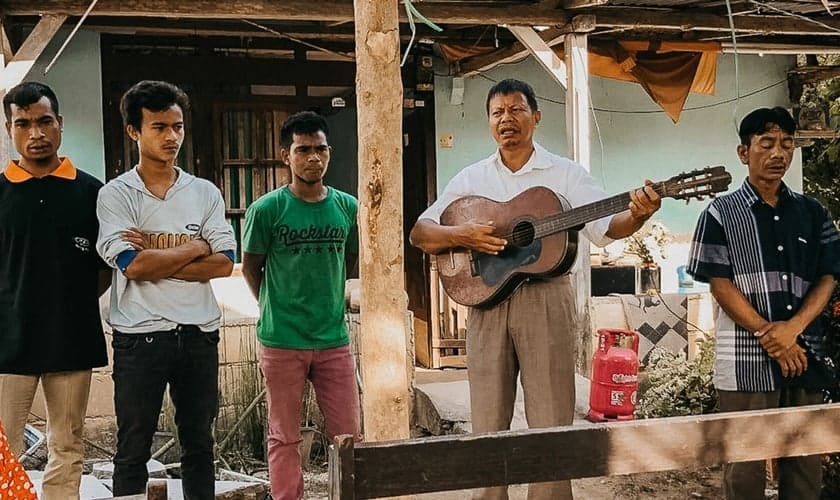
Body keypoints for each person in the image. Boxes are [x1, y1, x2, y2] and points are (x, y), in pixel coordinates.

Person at [409, 78, 661, 500]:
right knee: (487, 419)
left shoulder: (565, 174)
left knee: (551, 417)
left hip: (547, 299)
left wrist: (638, 214)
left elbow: (607, 227)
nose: (506, 119)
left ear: (536, 117)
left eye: (516, 110)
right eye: (497, 112)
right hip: (487, 302)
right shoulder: (472, 178)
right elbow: (421, 232)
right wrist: (462, 235)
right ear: (489, 122)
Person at [687, 106, 840, 499]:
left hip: (804, 354)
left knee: (804, 470)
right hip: (745, 361)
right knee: (744, 471)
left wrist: (793, 330)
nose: (778, 153)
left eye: (787, 144)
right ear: (744, 152)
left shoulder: (813, 213)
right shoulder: (720, 213)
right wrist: (770, 335)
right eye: (767, 143)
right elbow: (720, 284)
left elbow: (828, 276)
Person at [96, 80, 236, 499]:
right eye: (159, 127)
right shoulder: (116, 195)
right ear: (134, 132)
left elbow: (224, 263)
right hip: (139, 338)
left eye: (177, 126)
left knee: (200, 445)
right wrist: (195, 246)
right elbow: (133, 266)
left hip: (197, 335)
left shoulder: (204, 192)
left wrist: (157, 255)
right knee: (132, 449)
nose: (172, 136)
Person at [241, 111, 361, 500]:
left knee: (348, 436)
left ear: (329, 153)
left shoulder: (347, 207)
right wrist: (275, 306)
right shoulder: (267, 210)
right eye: (303, 149)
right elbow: (252, 267)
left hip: (333, 339)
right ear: (285, 156)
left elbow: (350, 260)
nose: (313, 158)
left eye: (320, 149)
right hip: (282, 340)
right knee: (284, 436)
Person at [0, 82, 109, 500]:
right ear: (9, 129)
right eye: (23, 124)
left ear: (60, 124)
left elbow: (103, 270)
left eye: (44, 121)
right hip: (8, 342)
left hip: (71, 337)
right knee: (4, 448)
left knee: (67, 443)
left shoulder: (91, 193)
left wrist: (69, 304)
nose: (36, 133)